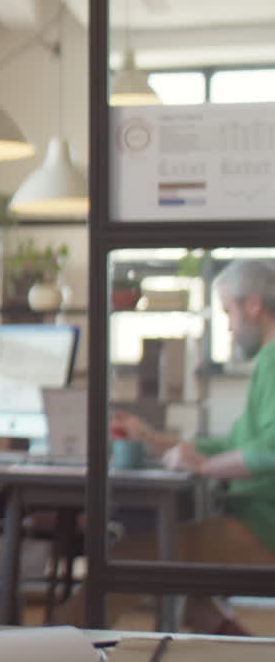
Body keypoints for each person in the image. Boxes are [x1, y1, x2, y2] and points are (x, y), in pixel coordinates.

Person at [64, 258, 275, 634]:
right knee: (196, 605)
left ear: (254, 305)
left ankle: (50, 647)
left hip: (263, 529)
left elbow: (270, 453)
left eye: (229, 311)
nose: (228, 324)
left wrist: (205, 467)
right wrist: (153, 438)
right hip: (253, 521)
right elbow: (236, 444)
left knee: (128, 559)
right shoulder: (267, 363)